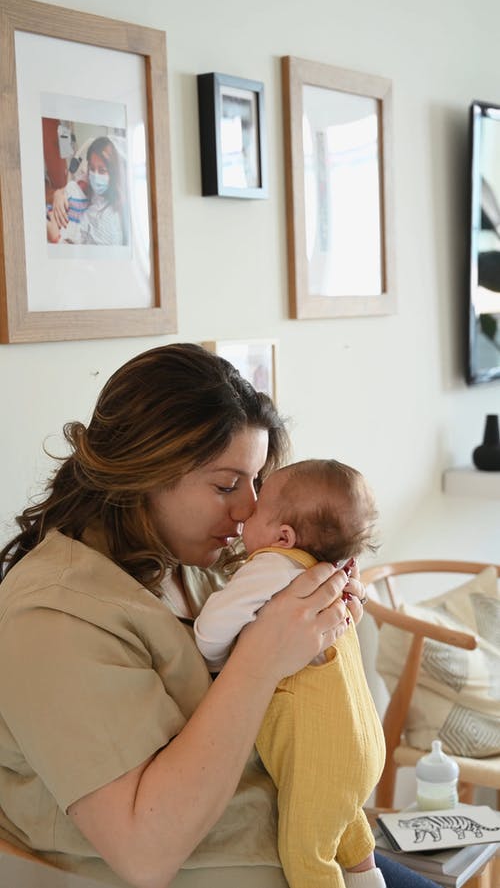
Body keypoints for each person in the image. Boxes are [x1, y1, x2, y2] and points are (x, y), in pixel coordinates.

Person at [0, 343, 442, 888]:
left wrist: (324, 603)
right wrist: (260, 660)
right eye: (226, 485)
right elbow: (146, 853)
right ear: (143, 472)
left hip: (308, 845)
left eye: (255, 482)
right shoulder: (54, 617)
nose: (249, 509)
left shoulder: (193, 564)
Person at [195, 459, 385, 888]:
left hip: (318, 753)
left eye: (258, 510)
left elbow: (210, 632)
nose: (246, 514)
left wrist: (216, 659)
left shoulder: (271, 567)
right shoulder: (332, 574)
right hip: (362, 747)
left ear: (283, 535)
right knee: (346, 828)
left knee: (306, 855)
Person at [47, 135, 126, 246]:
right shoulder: (91, 184)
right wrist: (58, 194)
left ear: (114, 173)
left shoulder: (108, 223)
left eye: (102, 170)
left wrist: (56, 238)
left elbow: (84, 262)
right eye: (92, 168)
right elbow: (72, 187)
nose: (95, 175)